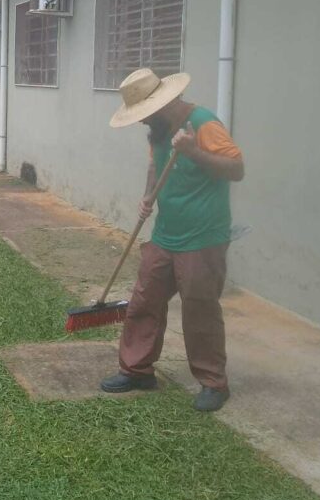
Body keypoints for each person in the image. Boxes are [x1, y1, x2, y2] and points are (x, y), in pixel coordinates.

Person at [100, 68, 244, 412]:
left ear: (160, 105)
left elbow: (236, 170)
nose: (140, 122)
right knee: (144, 298)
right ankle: (137, 370)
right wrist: (149, 195)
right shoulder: (159, 130)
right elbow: (156, 165)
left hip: (203, 236)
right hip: (166, 233)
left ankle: (213, 383)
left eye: (143, 116)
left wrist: (193, 151)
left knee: (200, 309)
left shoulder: (204, 123)